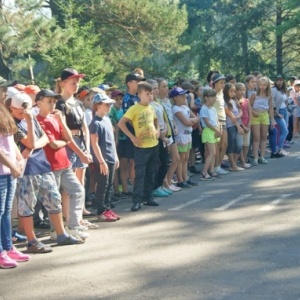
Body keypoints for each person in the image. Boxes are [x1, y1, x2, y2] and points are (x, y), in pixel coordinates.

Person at [11, 92, 83, 253]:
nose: (23, 112)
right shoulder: (14, 123)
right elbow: (29, 140)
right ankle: (32, 241)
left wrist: (32, 145)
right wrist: (29, 124)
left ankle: (61, 234)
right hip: (27, 170)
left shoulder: (33, 120)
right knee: (27, 205)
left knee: (54, 199)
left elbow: (43, 139)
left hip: (43, 165)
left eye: (26, 109)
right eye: (20, 110)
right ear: (12, 108)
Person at [36, 89, 95, 238]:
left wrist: (62, 121)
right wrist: (64, 141)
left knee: (78, 190)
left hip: (64, 163)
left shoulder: (55, 118)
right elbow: (53, 144)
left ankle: (73, 225)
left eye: (54, 101)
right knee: (54, 199)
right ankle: (55, 230)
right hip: (50, 165)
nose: (53, 104)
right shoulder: (37, 120)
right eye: (49, 101)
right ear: (39, 102)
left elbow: (68, 138)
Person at [55, 68, 93, 219]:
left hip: (81, 143)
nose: (76, 85)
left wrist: (87, 150)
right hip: (68, 146)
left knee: (80, 179)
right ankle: (69, 218)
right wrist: (80, 152)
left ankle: (79, 215)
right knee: (68, 186)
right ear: (63, 83)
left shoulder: (78, 103)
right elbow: (64, 133)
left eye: (78, 82)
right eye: (73, 82)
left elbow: (85, 127)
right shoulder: (60, 104)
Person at [118, 82, 160, 212]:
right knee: (140, 174)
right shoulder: (134, 108)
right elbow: (121, 123)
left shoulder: (151, 108)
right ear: (139, 94)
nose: (150, 96)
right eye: (147, 94)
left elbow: (156, 120)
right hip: (141, 146)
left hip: (153, 144)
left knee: (151, 172)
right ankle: (137, 200)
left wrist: (158, 130)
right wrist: (132, 137)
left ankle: (148, 197)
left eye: (151, 94)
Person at [0, 104, 30, 268]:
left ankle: (8, 247)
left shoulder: (3, 111)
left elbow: (10, 140)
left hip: (9, 171)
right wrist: (12, 165)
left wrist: (18, 159)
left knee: (5, 212)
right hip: (3, 171)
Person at [90, 93, 120, 221]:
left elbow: (112, 141)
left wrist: (116, 157)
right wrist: (101, 161)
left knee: (109, 186)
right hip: (102, 160)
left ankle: (107, 208)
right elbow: (94, 143)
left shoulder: (107, 120)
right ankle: (101, 211)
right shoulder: (95, 123)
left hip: (111, 157)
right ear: (98, 105)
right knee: (102, 185)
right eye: (106, 104)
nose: (109, 106)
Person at [119, 73, 145, 197]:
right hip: (132, 134)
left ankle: (140, 187)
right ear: (129, 83)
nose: (139, 84)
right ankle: (136, 189)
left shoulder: (138, 97)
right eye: (137, 81)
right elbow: (128, 117)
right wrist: (138, 127)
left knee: (139, 162)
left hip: (142, 133)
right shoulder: (127, 99)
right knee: (133, 162)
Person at [170, 87, 199, 188]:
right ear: (175, 98)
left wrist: (191, 120)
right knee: (181, 158)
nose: (184, 97)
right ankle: (180, 180)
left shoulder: (185, 108)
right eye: (181, 96)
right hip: (181, 136)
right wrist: (192, 120)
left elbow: (196, 118)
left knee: (186, 158)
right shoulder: (175, 109)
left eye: (184, 95)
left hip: (188, 135)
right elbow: (186, 122)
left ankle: (185, 177)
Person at [147, 79, 172, 197]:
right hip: (156, 137)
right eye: (154, 89)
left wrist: (166, 129)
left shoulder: (158, 102)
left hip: (163, 134)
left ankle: (159, 185)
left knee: (166, 161)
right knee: (159, 162)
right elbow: (153, 122)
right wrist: (162, 135)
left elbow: (163, 119)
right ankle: (154, 187)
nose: (156, 91)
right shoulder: (149, 105)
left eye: (157, 88)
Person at [156, 78, 181, 192]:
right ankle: (164, 182)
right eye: (164, 87)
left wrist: (174, 125)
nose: (167, 89)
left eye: (167, 87)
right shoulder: (157, 102)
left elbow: (170, 117)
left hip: (171, 132)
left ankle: (169, 181)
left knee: (176, 158)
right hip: (164, 133)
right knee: (165, 160)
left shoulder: (167, 101)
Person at [250, 77, 275, 165]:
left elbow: (271, 108)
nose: (262, 87)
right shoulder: (254, 94)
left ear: (267, 86)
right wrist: (253, 112)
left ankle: (262, 156)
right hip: (255, 115)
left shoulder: (269, 95)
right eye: (260, 85)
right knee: (256, 137)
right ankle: (255, 157)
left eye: (264, 85)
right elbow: (249, 105)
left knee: (264, 136)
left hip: (265, 115)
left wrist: (272, 119)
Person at [199, 88, 221, 180]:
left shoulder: (213, 108)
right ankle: (204, 172)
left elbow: (217, 120)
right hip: (208, 131)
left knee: (213, 153)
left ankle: (211, 170)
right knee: (212, 153)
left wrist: (218, 129)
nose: (214, 98)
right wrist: (216, 130)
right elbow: (207, 122)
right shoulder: (204, 108)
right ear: (206, 98)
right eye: (211, 97)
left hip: (215, 130)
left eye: (214, 96)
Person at [212, 74, 230, 175]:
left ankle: (218, 165)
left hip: (224, 120)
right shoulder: (213, 94)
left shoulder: (221, 93)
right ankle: (216, 166)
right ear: (215, 84)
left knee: (224, 144)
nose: (223, 85)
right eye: (221, 83)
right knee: (218, 145)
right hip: (217, 121)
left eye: (224, 83)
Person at [109, 90, 126, 199]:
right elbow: (115, 127)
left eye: (120, 99)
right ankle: (116, 190)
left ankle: (121, 188)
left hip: (124, 139)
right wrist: (116, 141)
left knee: (122, 165)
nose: (119, 101)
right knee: (115, 166)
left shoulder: (122, 110)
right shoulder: (112, 111)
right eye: (116, 99)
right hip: (117, 140)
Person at [224, 83, 244, 171]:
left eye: (234, 91)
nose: (233, 93)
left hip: (238, 123)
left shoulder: (235, 100)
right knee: (231, 145)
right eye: (231, 91)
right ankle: (233, 164)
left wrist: (239, 116)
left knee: (239, 145)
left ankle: (234, 164)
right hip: (231, 125)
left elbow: (240, 111)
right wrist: (238, 126)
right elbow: (231, 116)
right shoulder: (225, 102)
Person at [235, 83, 252, 168]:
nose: (242, 92)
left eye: (243, 90)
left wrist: (248, 125)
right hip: (240, 126)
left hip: (247, 125)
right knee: (240, 144)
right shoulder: (236, 102)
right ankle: (241, 161)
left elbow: (249, 113)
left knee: (246, 144)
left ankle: (244, 160)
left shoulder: (246, 100)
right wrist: (243, 127)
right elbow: (238, 115)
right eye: (240, 90)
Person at [272, 75, 289, 156]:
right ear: (275, 81)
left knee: (284, 130)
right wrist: (276, 112)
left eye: (281, 80)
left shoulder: (283, 90)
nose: (279, 82)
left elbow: (285, 100)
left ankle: (281, 148)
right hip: (278, 112)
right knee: (285, 131)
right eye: (278, 80)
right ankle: (279, 149)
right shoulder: (274, 90)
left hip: (284, 110)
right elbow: (272, 102)